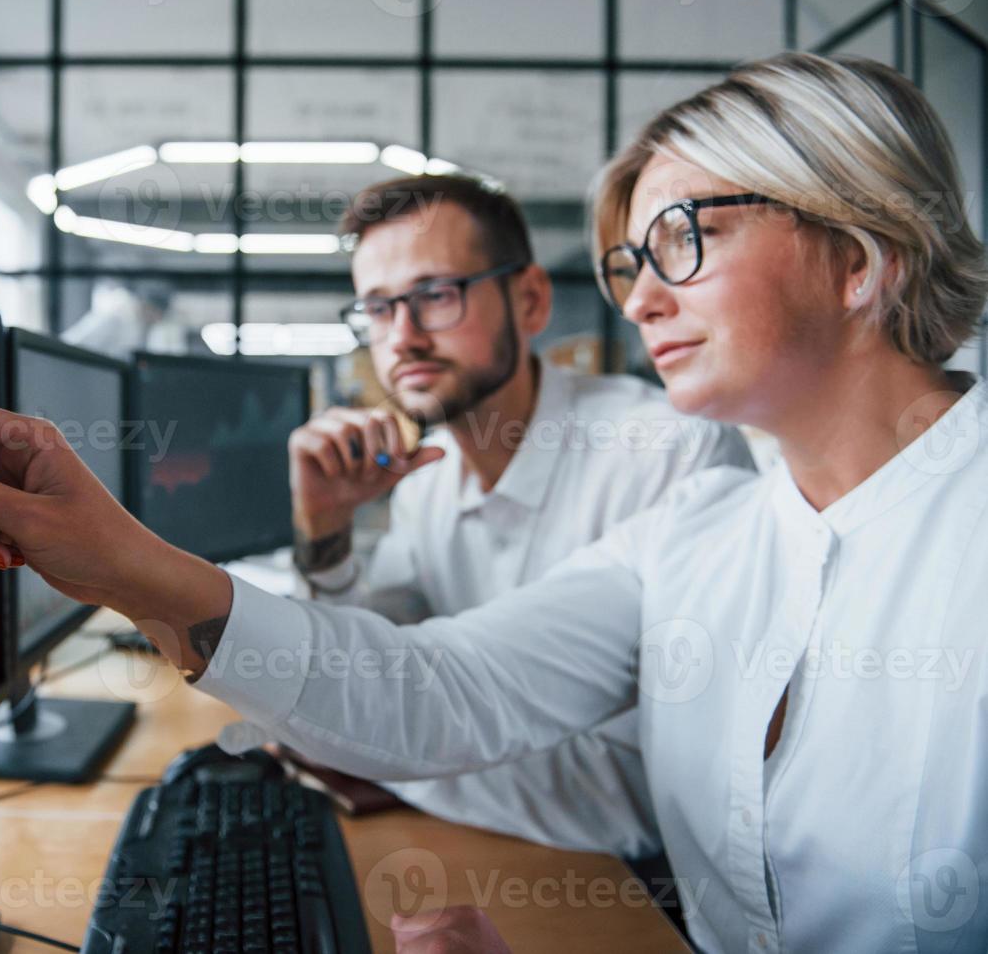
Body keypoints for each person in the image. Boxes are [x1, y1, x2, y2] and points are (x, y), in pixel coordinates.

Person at [0, 53, 988, 953]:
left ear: (859, 249)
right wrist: (115, 559)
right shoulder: (701, 536)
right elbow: (438, 684)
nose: (640, 296)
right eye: (629, 259)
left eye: (686, 238)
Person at [290, 173, 751, 859]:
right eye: (379, 309)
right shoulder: (428, 473)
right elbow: (359, 664)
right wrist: (324, 531)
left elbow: (649, 794)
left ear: (531, 299)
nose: (403, 337)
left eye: (436, 295)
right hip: (503, 854)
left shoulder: (672, 454)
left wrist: (368, 748)